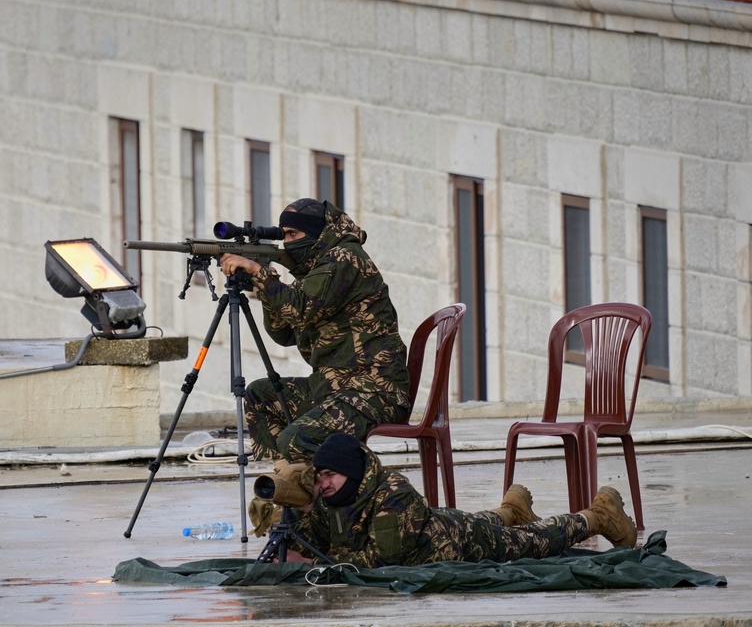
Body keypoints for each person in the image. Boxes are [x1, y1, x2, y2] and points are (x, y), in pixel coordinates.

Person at [218, 198, 410, 466]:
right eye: (283, 236)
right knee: (260, 396)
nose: (288, 243)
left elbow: (300, 309)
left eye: (294, 234)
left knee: (295, 439)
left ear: (319, 233)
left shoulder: (344, 258)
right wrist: (263, 282)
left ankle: (310, 498)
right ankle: (284, 489)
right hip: (334, 387)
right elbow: (283, 334)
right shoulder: (314, 271)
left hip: (372, 392)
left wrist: (261, 275)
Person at [281, 433, 638, 567]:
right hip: (444, 524)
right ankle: (510, 510)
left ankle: (598, 514)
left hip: (461, 543)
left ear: (352, 472)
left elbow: (381, 559)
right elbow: (317, 542)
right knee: (486, 520)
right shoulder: (336, 499)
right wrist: (306, 508)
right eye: (319, 477)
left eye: (330, 475)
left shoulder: (393, 495)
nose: (324, 484)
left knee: (535, 541)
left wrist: (317, 565)